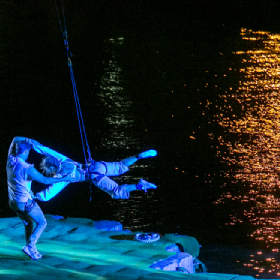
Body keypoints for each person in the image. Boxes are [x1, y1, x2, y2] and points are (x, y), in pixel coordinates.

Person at [6, 136, 76, 261]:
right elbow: (45, 180)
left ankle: (30, 248)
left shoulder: (10, 160)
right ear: (27, 152)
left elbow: (15, 139)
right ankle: (30, 246)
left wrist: (24, 141)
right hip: (25, 203)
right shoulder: (27, 168)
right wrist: (64, 179)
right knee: (42, 222)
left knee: (28, 223)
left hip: (13, 202)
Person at [31, 141, 157, 201]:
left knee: (117, 192)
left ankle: (139, 185)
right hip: (97, 165)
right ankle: (138, 156)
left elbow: (49, 193)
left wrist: (36, 196)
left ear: (51, 169)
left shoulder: (61, 177)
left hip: (95, 176)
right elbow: (47, 150)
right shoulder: (63, 159)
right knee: (121, 165)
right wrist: (33, 144)